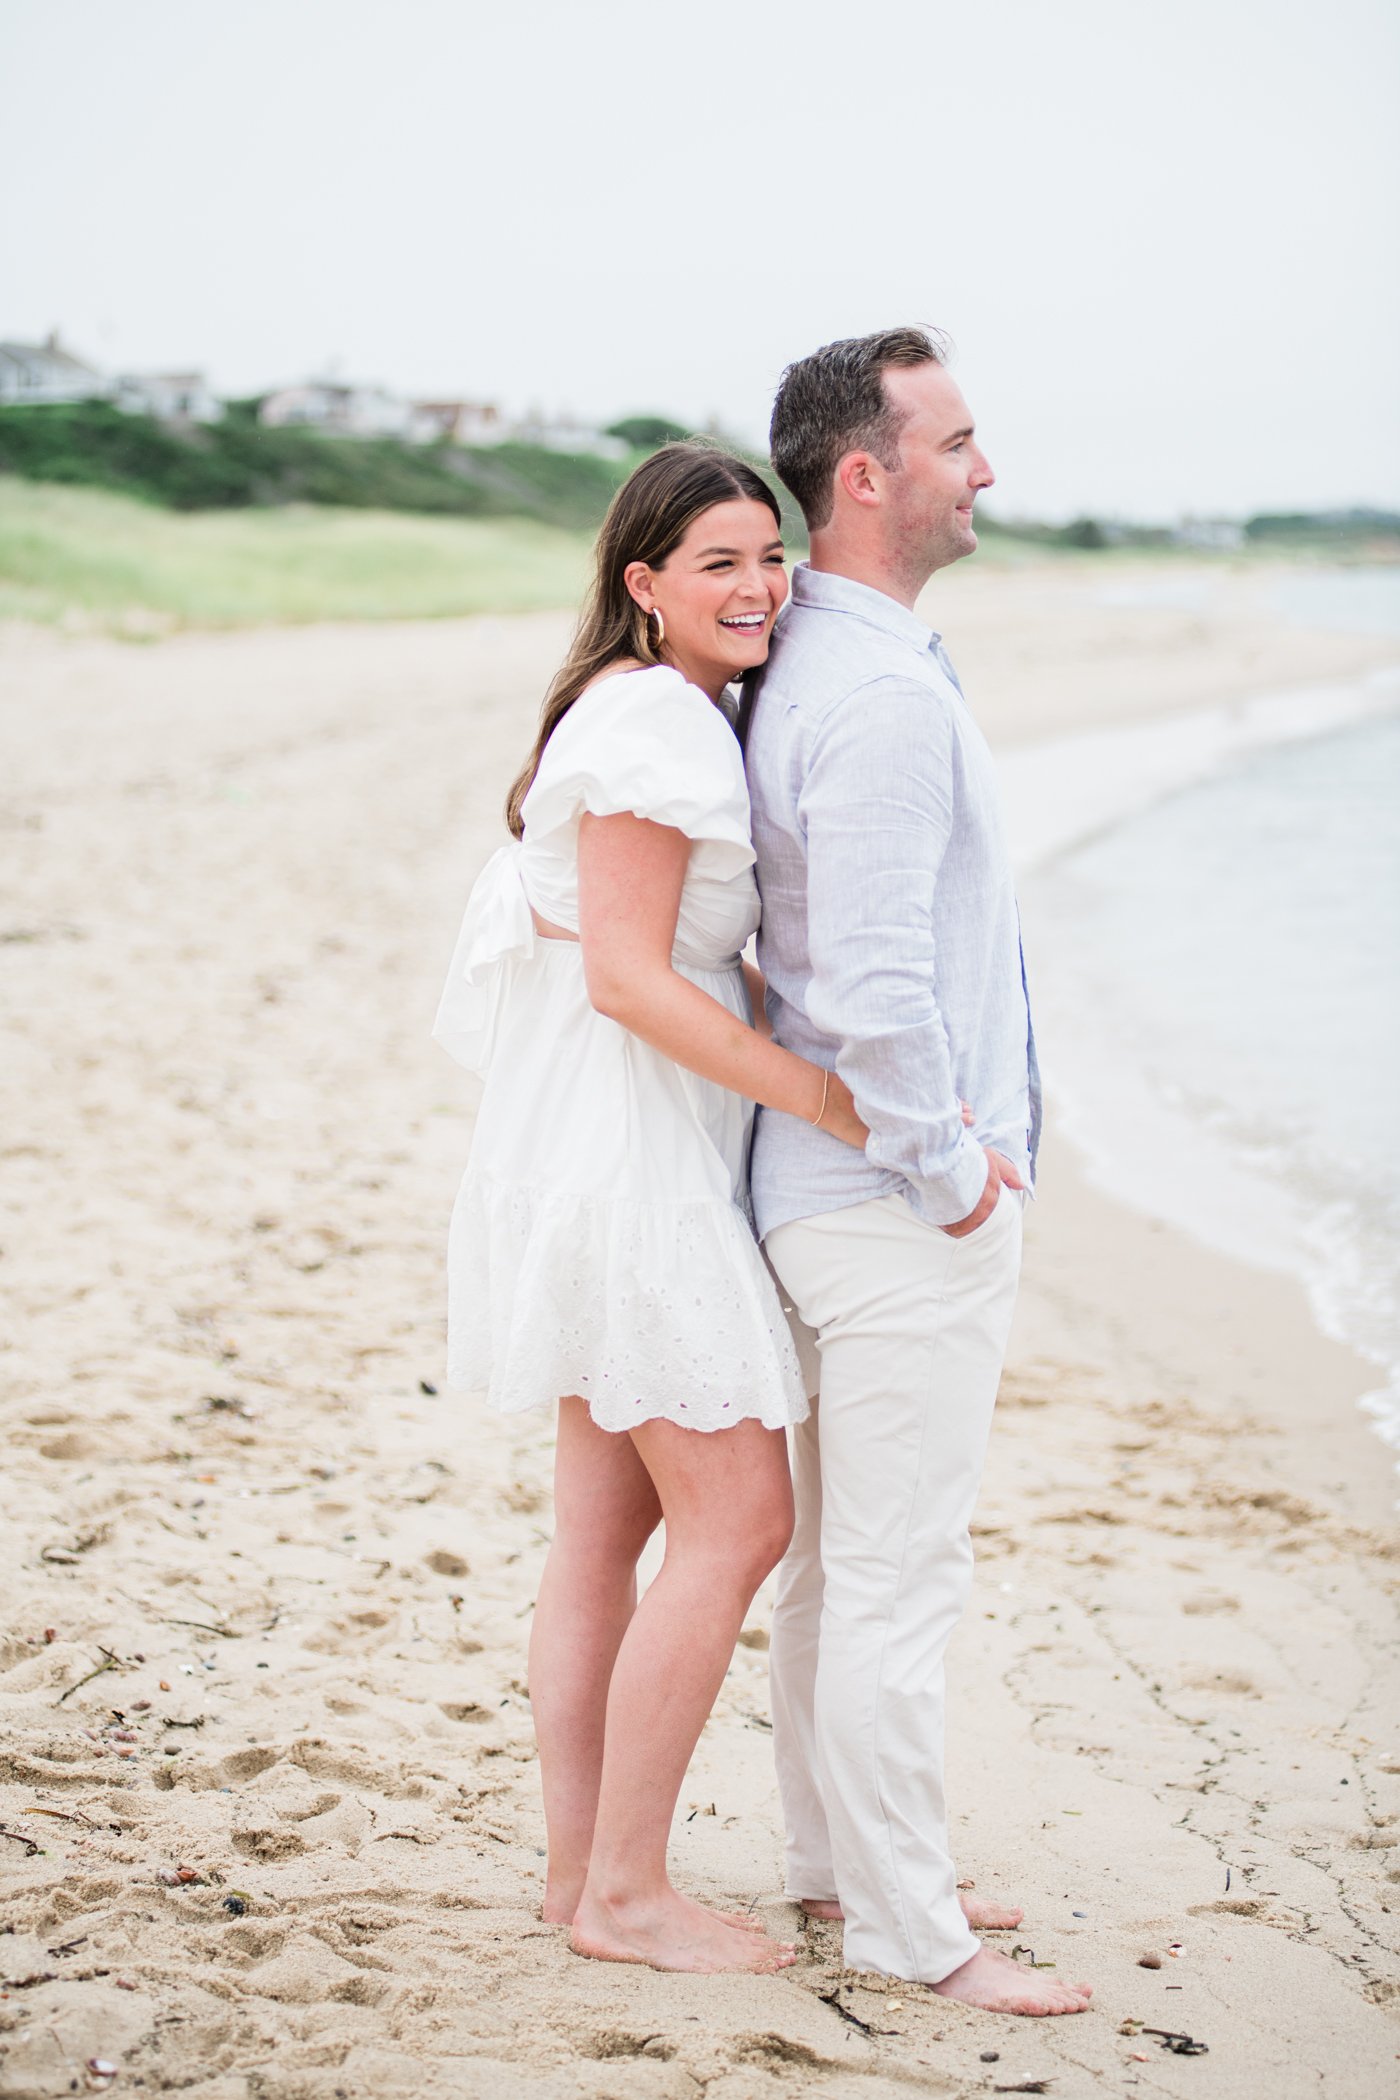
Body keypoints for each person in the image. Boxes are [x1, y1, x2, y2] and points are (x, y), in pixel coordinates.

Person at [432, 442, 869, 1975]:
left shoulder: (641, 712)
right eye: (719, 566)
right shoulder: (658, 728)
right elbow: (627, 979)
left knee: (601, 1536)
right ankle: (625, 1892)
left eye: (773, 557)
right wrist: (827, 1099)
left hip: (582, 1159)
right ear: (643, 585)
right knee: (743, 1519)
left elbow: (647, 963)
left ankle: (579, 1885)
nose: (760, 588)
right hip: (627, 1173)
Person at [742, 328, 1091, 2016]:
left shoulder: (821, 652)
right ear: (865, 475)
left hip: (824, 1199)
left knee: (837, 1569)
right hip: (891, 1210)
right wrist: (956, 1174)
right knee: (895, 1577)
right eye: (958, 442)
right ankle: (902, 1927)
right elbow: (875, 989)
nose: (988, 470)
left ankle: (843, 1871)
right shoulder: (873, 688)